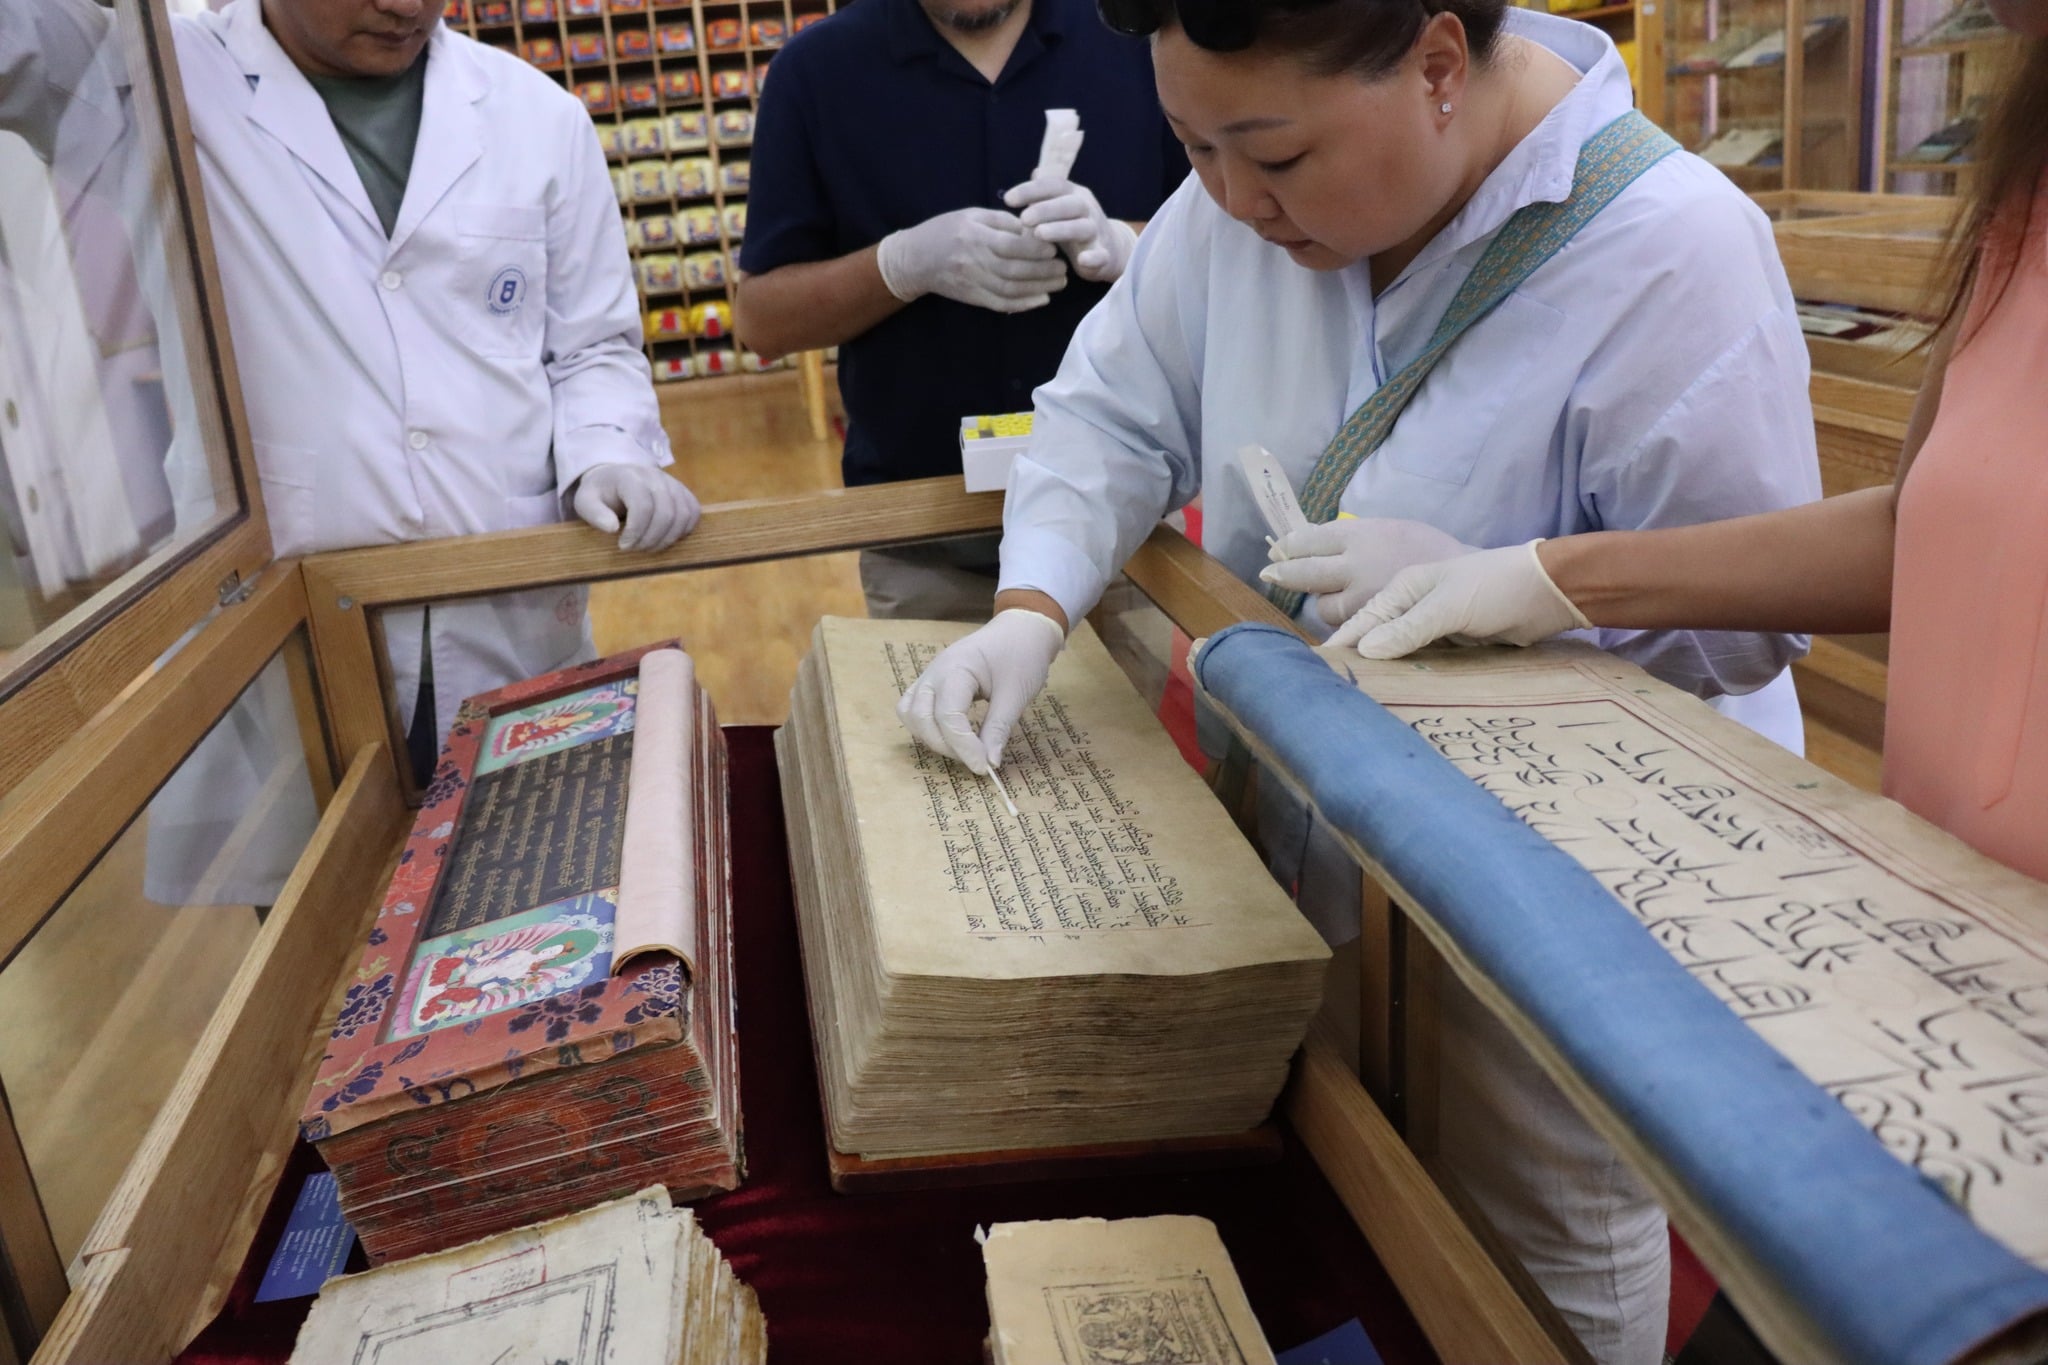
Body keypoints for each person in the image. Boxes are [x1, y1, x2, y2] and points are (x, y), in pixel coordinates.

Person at [895, 0, 1824, 1358]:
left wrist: (1522, 599)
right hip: (1316, 831)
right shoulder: (1242, 199)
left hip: (1552, 892)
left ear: (1438, 65)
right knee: (1366, 1204)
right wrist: (1031, 605)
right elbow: (1110, 414)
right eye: (1193, 149)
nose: (1232, 200)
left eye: (1273, 156)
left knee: (1539, 1243)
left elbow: (1746, 632)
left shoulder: (1669, 247)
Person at [1328, 2, 2048, 890]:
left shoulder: (1685, 233)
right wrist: (1546, 578)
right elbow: (1917, 529)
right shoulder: (2021, 180)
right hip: (1943, 881)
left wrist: (1550, 584)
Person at [4, 0, 701, 904]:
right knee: (317, 942)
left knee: (520, 917)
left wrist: (608, 450)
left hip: (505, 605)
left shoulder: (537, 115)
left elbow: (591, 345)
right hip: (292, 643)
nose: (406, 6)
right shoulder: (151, 75)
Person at [732, 0, 1186, 619]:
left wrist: (1128, 247)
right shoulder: (816, 71)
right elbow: (762, 320)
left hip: (1126, 531)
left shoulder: (1140, 40)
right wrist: (898, 265)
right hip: (924, 545)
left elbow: (1238, 247)